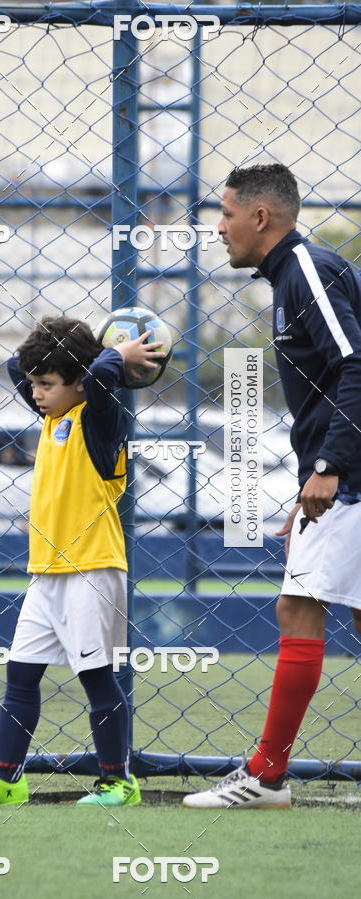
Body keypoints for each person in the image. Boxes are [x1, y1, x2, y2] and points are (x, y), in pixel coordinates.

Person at [183, 163, 361, 810]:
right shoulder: (289, 276)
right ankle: (267, 772)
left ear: (261, 217)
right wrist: (316, 475)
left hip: (351, 476)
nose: (219, 228)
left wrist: (331, 466)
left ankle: (265, 775)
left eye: (225, 213)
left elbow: (355, 363)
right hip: (343, 474)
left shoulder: (307, 268)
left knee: (298, 607)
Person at [0, 315, 164, 807]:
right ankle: (5, 780)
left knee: (96, 678)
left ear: (81, 382)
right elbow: (13, 366)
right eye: (36, 384)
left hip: (93, 570)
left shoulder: (101, 420)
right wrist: (64, 350)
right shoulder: (52, 416)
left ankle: (117, 782)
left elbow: (102, 381)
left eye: (47, 384)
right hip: (46, 573)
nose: (36, 392)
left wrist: (114, 357)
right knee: (21, 676)